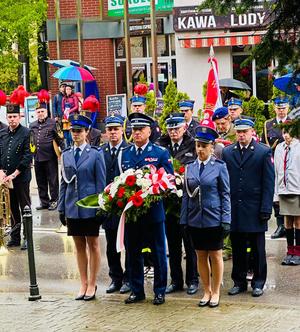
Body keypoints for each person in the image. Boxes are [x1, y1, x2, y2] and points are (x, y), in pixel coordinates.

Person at [118, 112, 173, 305]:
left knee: (158, 253)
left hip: (153, 212)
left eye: (141, 129)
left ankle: (159, 291)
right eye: (134, 130)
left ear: (150, 131)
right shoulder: (125, 153)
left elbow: (169, 182)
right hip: (133, 213)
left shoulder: (160, 153)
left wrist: (154, 191)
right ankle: (136, 290)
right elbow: (120, 181)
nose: (137, 133)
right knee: (133, 253)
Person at [223, 118, 275, 297]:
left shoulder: (263, 152)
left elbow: (268, 183)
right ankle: (239, 281)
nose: (241, 135)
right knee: (237, 247)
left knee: (257, 248)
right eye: (238, 132)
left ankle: (259, 282)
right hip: (235, 208)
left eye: (244, 131)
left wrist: (266, 208)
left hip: (255, 208)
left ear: (252, 131)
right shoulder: (228, 152)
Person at [181, 125, 231, 308]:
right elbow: (186, 195)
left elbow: (225, 194)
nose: (200, 149)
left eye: (204, 145)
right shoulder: (190, 168)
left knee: (216, 255)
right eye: (198, 145)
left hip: (214, 218)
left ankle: (216, 291)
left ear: (212, 147)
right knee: (200, 255)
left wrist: (226, 219)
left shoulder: (219, 167)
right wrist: (184, 219)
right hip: (195, 219)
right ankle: (207, 290)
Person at [58, 114, 106, 301]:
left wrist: (101, 206)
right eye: (73, 131)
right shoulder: (66, 154)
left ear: (86, 132)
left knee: (93, 244)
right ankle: (83, 283)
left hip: (90, 206)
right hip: (72, 206)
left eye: (79, 131)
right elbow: (64, 182)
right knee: (78, 246)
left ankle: (93, 283)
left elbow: (101, 183)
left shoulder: (95, 154)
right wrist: (61, 207)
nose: (76, 134)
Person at [157, 113, 199, 295]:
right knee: (173, 245)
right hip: (168, 203)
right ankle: (175, 280)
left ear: (184, 128)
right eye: (170, 128)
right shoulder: (161, 144)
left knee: (190, 245)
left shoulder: (193, 144)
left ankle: (193, 279)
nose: (173, 132)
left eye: (177, 128)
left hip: (188, 202)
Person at [101, 115, 131, 294]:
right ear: (106, 132)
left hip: (126, 205)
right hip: (109, 206)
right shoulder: (101, 151)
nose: (113, 132)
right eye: (110, 129)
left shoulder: (128, 150)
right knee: (111, 245)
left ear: (122, 130)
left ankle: (128, 278)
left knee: (128, 243)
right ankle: (116, 278)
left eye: (116, 129)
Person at [0, 103, 32, 250]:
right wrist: (1, 170)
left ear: (19, 117)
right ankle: (15, 237)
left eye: (14, 116)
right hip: (6, 178)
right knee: (11, 208)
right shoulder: (2, 133)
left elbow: (27, 156)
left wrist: (15, 173)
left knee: (24, 207)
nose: (12, 119)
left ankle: (27, 237)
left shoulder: (27, 132)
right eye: (10, 117)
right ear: (6, 117)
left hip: (21, 177)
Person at [261, 97, 290, 239]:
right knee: (275, 195)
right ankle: (281, 225)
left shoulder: (294, 123)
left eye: (283, 108)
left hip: (291, 165)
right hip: (273, 164)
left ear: (288, 108)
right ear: (274, 109)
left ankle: (290, 223)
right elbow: (263, 144)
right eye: (279, 108)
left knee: (291, 195)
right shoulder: (268, 124)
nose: (281, 111)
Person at [30, 101, 64, 211]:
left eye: (42, 111)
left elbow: (60, 139)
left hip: (50, 157)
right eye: (38, 111)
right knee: (40, 180)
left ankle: (54, 201)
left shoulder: (53, 123)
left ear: (47, 111)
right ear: (36, 113)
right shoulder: (32, 125)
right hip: (37, 157)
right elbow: (30, 141)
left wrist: (65, 152)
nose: (40, 113)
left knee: (53, 181)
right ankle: (44, 201)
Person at [274, 125, 300, 265]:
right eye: (284, 132)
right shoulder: (279, 148)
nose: (286, 135)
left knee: (298, 221)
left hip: (297, 189)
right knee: (287, 222)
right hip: (283, 190)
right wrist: (276, 194)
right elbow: (276, 171)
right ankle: (290, 251)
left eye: (289, 132)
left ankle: (298, 251)